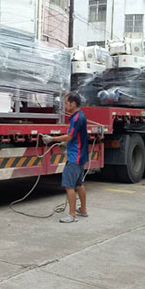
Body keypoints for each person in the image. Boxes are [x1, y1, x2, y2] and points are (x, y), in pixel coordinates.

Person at [42, 92, 89, 223]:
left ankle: (72, 215)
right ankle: (83, 210)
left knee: (69, 186)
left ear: (73, 104)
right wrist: (66, 143)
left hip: (75, 157)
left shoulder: (76, 118)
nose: (65, 106)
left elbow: (70, 136)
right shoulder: (81, 115)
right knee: (79, 184)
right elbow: (76, 136)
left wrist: (52, 139)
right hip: (81, 156)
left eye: (66, 103)